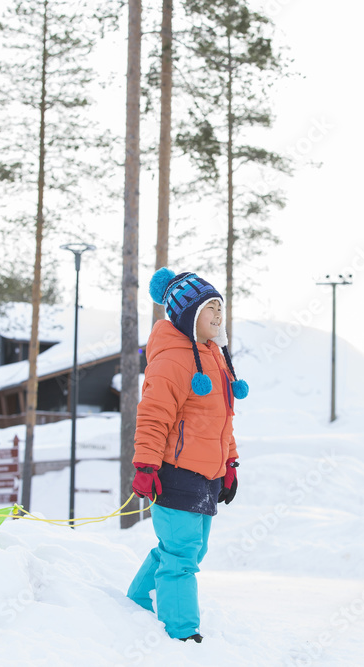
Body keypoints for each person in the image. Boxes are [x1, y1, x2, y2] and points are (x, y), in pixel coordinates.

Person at [126, 267, 249, 643]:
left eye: (219, 309)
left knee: (190, 550)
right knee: (181, 556)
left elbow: (222, 420)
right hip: (175, 472)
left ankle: (136, 599)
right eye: (209, 308)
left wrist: (230, 462)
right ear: (188, 315)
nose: (217, 315)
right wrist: (145, 465)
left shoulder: (214, 358)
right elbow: (152, 416)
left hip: (206, 476)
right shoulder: (171, 361)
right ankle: (181, 631)